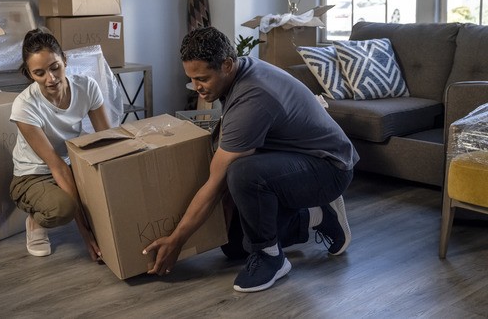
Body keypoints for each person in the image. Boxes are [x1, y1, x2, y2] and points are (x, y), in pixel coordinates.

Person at [143, 26, 359, 293]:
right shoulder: (238, 73)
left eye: (202, 78)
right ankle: (319, 216)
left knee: (242, 173)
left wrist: (176, 240)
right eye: (191, 78)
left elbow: (216, 184)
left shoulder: (253, 97)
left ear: (227, 64)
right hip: (295, 159)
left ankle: (272, 258)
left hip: (329, 167)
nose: (196, 87)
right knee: (235, 245)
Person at [9, 27, 111, 260]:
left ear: (65, 59)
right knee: (64, 208)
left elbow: (107, 139)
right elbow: (56, 166)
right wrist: (87, 236)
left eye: (55, 67)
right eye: (39, 73)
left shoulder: (86, 87)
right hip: (33, 174)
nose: (51, 78)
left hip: (71, 163)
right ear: (29, 74)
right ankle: (36, 221)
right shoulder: (24, 105)